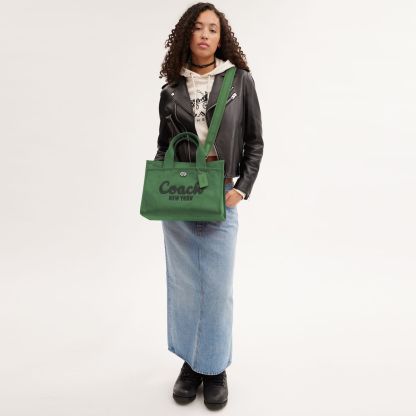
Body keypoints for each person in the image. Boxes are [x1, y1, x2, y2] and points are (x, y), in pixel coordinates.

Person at [154, 2, 264, 409]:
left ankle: (214, 369)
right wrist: (162, 187)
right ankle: (190, 364)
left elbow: (255, 141)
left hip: (221, 195)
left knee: (216, 291)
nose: (204, 34)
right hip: (180, 199)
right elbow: (164, 147)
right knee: (184, 288)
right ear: (187, 35)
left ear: (221, 38)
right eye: (198, 27)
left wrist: (243, 188)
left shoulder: (240, 81)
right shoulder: (170, 90)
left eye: (212, 29)